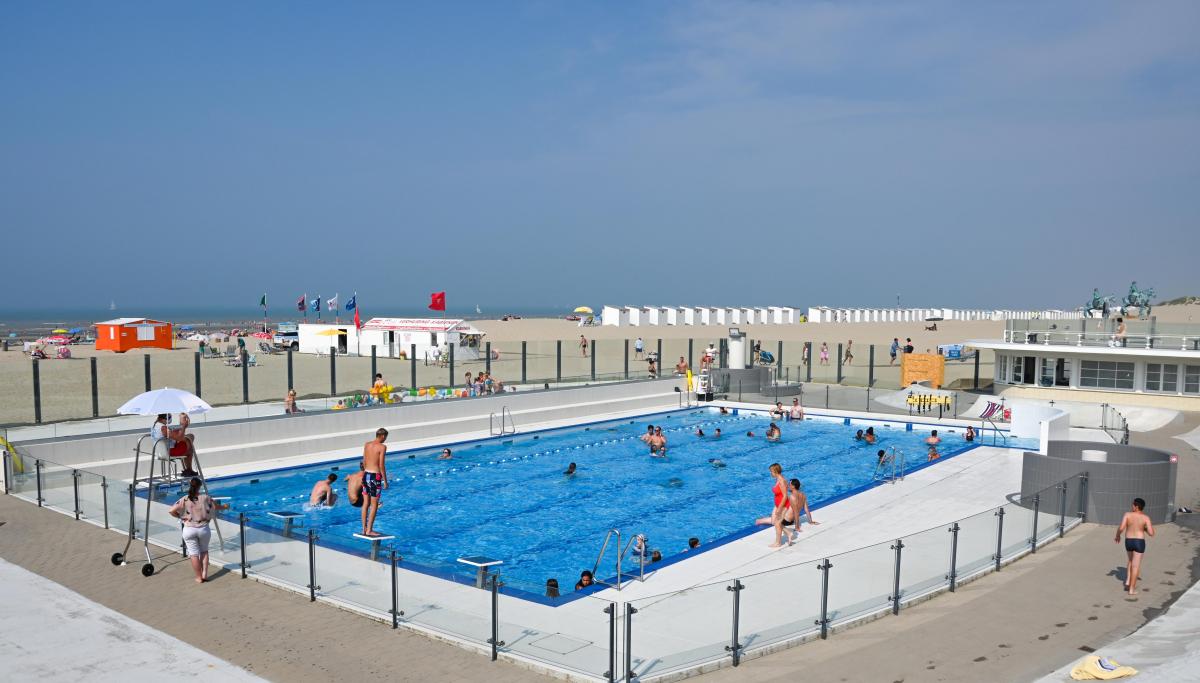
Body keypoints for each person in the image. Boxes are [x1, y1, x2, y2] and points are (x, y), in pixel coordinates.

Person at [168, 478, 226, 584]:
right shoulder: (206, 498)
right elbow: (216, 507)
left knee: (194, 554)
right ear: (200, 486)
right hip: (203, 529)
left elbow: (171, 511)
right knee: (204, 551)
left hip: (189, 529)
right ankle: (204, 575)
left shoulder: (184, 499)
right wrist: (225, 506)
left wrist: (181, 517)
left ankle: (199, 577)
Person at [1115, 498, 1155, 595]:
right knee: (1135, 566)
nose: (1131, 506)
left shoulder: (1127, 515)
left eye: (1133, 504)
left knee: (1130, 561)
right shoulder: (1146, 518)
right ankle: (1131, 590)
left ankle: (1128, 581)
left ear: (1137, 506)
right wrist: (1143, 528)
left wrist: (1117, 535)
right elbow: (1151, 533)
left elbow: (1121, 528)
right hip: (1139, 542)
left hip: (1128, 541)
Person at [755, 463, 792, 548]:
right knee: (774, 521)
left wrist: (779, 508)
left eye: (771, 471)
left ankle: (778, 542)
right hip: (778, 504)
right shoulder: (777, 479)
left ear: (775, 471)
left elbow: (785, 496)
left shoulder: (782, 481)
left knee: (777, 523)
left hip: (782, 505)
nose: (770, 473)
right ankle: (788, 533)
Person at [361, 428, 389, 537]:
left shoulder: (367, 445)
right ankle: (369, 530)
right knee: (374, 505)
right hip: (375, 477)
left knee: (365, 504)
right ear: (382, 436)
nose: (385, 440)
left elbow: (364, 460)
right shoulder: (382, 447)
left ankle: (364, 528)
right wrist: (385, 481)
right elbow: (381, 465)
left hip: (366, 475)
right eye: (385, 437)